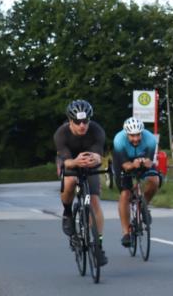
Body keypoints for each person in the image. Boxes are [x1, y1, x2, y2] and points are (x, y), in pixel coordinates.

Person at [54, 99, 108, 267]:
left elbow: (99, 155)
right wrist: (75, 161)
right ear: (70, 121)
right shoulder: (61, 134)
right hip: (70, 161)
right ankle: (68, 212)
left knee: (94, 201)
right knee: (70, 181)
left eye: (85, 121)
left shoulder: (97, 131)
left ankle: (98, 245)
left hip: (89, 164)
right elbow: (66, 162)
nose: (82, 125)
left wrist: (96, 158)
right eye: (77, 122)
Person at [112, 117, 163, 248]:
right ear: (126, 134)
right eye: (132, 136)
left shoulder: (150, 139)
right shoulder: (119, 140)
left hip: (141, 161)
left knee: (154, 180)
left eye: (138, 135)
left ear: (142, 132)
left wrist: (146, 163)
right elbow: (126, 166)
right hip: (124, 163)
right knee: (125, 194)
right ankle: (125, 233)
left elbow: (150, 162)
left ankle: (143, 206)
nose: (135, 139)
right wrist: (134, 165)